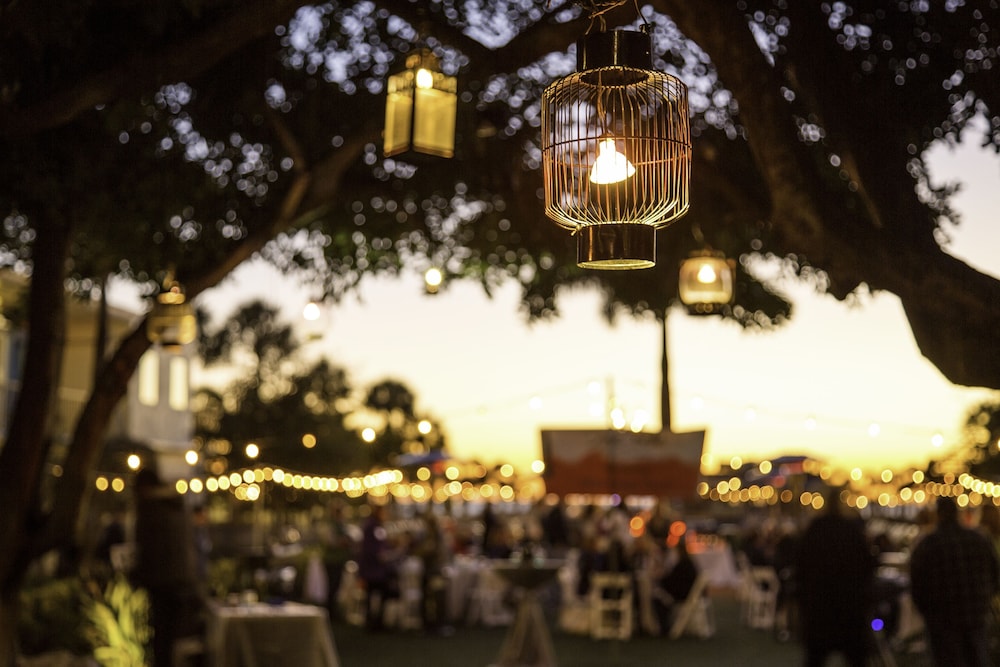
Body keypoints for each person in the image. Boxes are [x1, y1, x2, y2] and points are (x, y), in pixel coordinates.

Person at [910, 495, 1000, 667]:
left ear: (938, 514)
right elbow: (995, 575)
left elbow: (917, 586)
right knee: (978, 659)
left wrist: (928, 613)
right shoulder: (979, 539)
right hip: (975, 615)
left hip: (943, 622)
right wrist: (985, 600)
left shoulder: (927, 545)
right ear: (957, 513)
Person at [795, 491, 876, 667]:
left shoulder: (815, 530)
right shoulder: (852, 531)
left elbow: (800, 569)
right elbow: (868, 567)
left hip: (819, 609)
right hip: (850, 610)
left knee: (815, 659)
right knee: (856, 659)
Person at [132, 468, 204, 667]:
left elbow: (146, 549)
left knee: (161, 637)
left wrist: (137, 577)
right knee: (178, 638)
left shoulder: (149, 509)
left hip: (162, 582)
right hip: (186, 580)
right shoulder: (179, 505)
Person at [358, 503, 399, 631]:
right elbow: (375, 549)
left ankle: (373, 621)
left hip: (372, 569)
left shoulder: (373, 526)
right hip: (374, 570)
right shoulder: (373, 527)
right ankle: (374, 622)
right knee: (376, 595)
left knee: (373, 596)